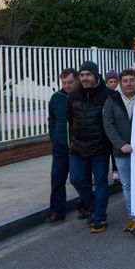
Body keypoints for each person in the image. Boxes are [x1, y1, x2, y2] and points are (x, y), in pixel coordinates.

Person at [67, 61, 113, 234]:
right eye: (82, 75)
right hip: (77, 147)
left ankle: (99, 217)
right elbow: (70, 119)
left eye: (88, 75)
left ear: (95, 75)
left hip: (99, 147)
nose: (85, 78)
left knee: (100, 182)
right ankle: (94, 206)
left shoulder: (107, 95)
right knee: (76, 178)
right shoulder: (73, 96)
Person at [102, 69, 135, 236]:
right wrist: (121, 144)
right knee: (127, 185)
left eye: (131, 80)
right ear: (120, 83)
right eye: (125, 80)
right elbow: (108, 125)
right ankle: (134, 217)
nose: (128, 83)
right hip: (122, 151)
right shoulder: (112, 101)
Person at [46, 68, 86, 223]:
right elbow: (52, 119)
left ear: (77, 80)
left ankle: (84, 206)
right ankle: (57, 210)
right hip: (60, 145)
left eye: (70, 82)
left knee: (80, 177)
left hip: (79, 144)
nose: (67, 86)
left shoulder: (83, 95)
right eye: (64, 83)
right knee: (57, 176)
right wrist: (54, 136)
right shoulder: (56, 98)